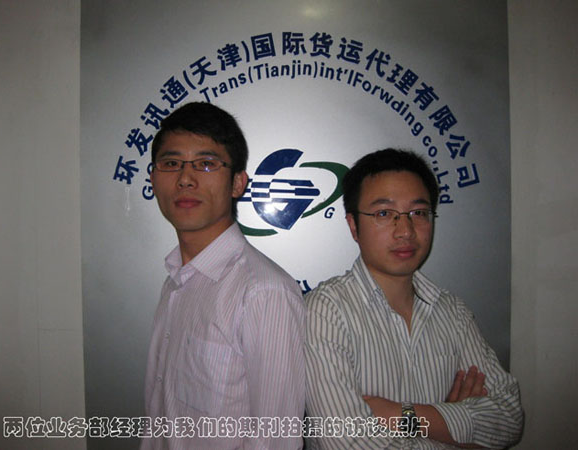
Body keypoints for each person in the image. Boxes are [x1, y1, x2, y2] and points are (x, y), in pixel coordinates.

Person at [305, 149, 523, 449]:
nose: (405, 231)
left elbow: (509, 418)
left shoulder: (452, 311)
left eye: (418, 213)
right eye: (384, 214)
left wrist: (405, 416)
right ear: (354, 226)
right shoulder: (327, 311)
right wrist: (452, 432)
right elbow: (346, 441)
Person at [141, 102, 305, 449]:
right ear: (153, 178)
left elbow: (276, 441)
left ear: (237, 183)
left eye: (206, 163)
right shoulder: (176, 280)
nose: (185, 179)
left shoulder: (263, 292)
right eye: (171, 163)